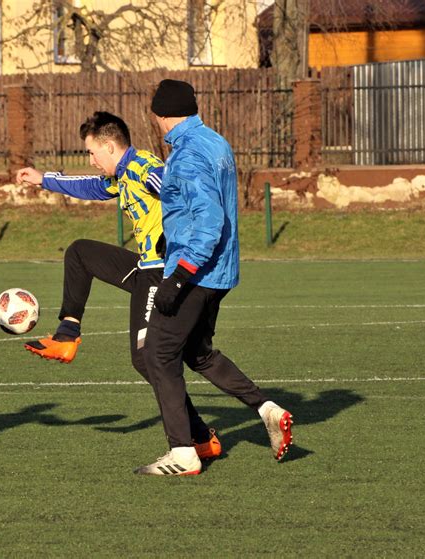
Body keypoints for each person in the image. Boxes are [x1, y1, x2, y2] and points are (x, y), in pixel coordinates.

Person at [16, 111, 221, 460]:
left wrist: (184, 242)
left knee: (146, 360)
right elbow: (94, 187)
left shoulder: (143, 168)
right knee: (81, 253)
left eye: (93, 153)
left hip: (161, 271)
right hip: (144, 266)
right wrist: (44, 180)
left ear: (110, 146)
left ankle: (199, 438)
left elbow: (176, 189)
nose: (91, 160)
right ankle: (67, 335)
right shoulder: (122, 172)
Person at [134, 80, 293, 476]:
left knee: (157, 353)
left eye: (155, 115)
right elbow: (204, 206)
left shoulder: (185, 155)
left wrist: (178, 276)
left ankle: (184, 453)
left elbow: (208, 219)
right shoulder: (216, 142)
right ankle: (267, 408)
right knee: (198, 353)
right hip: (219, 270)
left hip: (197, 271)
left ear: (162, 115)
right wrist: (168, 236)